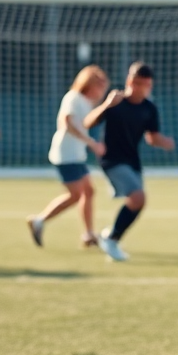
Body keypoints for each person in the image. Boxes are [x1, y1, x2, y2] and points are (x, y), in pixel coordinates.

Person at [84, 61, 175, 263]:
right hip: (111, 159)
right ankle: (112, 239)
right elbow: (88, 122)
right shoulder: (116, 102)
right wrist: (106, 104)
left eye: (146, 85)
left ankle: (110, 234)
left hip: (132, 161)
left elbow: (152, 137)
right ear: (129, 81)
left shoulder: (149, 108)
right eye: (138, 83)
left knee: (137, 203)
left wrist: (165, 142)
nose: (142, 88)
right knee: (138, 197)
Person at [28, 65, 115, 248]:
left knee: (88, 192)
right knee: (76, 195)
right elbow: (66, 123)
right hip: (65, 154)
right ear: (89, 84)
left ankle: (88, 234)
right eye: (99, 87)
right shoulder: (73, 98)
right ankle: (39, 221)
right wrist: (91, 143)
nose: (101, 92)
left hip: (76, 154)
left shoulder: (87, 102)